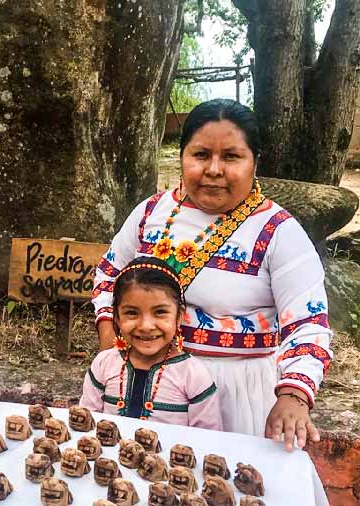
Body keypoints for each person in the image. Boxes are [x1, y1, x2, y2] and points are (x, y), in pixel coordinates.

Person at [92, 99, 332, 451]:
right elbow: (108, 277)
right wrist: (112, 354)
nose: (214, 170)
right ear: (182, 156)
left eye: (231, 157)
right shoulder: (152, 213)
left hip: (235, 398)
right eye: (201, 155)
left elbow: (309, 324)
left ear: (254, 162)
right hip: (144, 386)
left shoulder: (278, 231)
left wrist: (295, 394)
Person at [80, 257, 221, 429]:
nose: (146, 326)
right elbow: (84, 425)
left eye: (160, 312)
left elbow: (210, 441)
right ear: (116, 317)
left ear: (179, 317)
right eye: (132, 313)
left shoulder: (194, 375)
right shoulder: (103, 365)